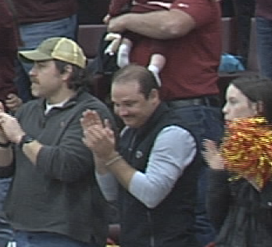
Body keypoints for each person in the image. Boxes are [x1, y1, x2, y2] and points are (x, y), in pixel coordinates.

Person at [0, 37, 113, 247]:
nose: (32, 73)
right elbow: (1, 169)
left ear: (66, 73)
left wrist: (21, 137)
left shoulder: (89, 112)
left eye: (41, 66)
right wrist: (2, 139)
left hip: (66, 232)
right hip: (21, 228)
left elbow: (66, 166)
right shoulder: (28, 110)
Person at [83, 66, 203, 247]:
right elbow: (111, 193)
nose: (122, 112)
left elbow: (151, 194)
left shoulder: (174, 134)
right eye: (116, 104)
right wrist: (100, 154)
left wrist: (111, 155)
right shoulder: (128, 132)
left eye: (130, 104)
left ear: (153, 96)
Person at [202, 72, 272, 247]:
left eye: (233, 102)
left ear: (257, 107)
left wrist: (253, 173)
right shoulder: (229, 149)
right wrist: (218, 173)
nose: (224, 110)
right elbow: (217, 218)